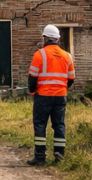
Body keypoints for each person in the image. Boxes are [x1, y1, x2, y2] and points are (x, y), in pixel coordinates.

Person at [26, 24, 75, 166]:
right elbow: (71, 79)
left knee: (40, 125)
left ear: (45, 38)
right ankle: (59, 155)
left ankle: (40, 156)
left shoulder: (39, 54)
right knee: (59, 125)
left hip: (43, 96)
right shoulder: (67, 56)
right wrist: (61, 89)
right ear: (58, 39)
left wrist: (32, 91)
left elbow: (32, 77)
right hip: (61, 96)